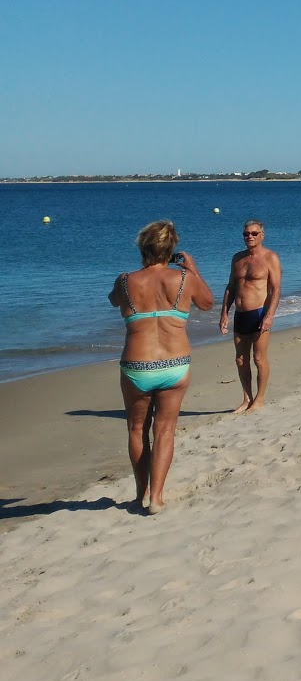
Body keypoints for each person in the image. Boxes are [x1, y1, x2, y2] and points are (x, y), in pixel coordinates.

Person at [109, 220, 214, 514]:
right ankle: (156, 498)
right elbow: (207, 303)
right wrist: (192, 269)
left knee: (137, 428)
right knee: (165, 430)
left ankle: (139, 495)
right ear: (172, 249)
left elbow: (113, 300)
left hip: (137, 365)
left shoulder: (126, 280)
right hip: (175, 364)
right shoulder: (184, 278)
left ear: (143, 247)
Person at [220, 219, 282, 413]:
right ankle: (247, 398)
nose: (250, 237)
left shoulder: (270, 258)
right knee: (240, 359)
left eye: (254, 233)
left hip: (259, 313)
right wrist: (224, 314)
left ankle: (260, 399)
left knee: (259, 358)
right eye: (246, 234)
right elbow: (231, 287)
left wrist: (269, 316)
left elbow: (276, 289)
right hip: (240, 315)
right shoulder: (237, 259)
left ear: (262, 235)